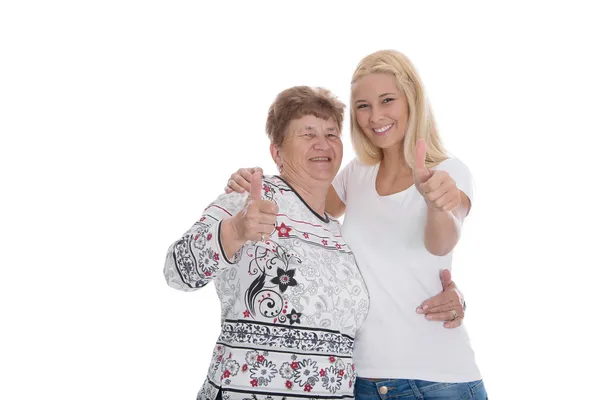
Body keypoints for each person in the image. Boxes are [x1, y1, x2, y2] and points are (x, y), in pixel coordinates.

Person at [225, 50, 487, 399]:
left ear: (412, 100)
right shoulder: (357, 174)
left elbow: (442, 242)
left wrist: (439, 205)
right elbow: (305, 204)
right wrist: (251, 181)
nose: (375, 116)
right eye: (363, 106)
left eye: (387, 100)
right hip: (358, 381)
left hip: (435, 380)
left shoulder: (449, 172)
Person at [163, 86, 370, 400]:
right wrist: (234, 231)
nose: (322, 144)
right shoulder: (248, 199)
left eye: (331, 133)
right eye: (307, 134)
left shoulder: (341, 236)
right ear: (276, 152)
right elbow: (177, 272)